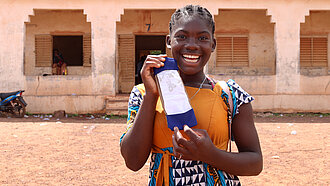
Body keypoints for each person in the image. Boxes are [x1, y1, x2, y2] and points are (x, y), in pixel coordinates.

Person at [120, 5, 262, 186]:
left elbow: (255, 163)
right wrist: (151, 95)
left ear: (213, 44)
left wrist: (210, 154)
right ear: (169, 41)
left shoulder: (231, 95)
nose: (192, 45)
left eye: (202, 38)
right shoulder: (143, 93)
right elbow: (132, 162)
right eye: (182, 36)